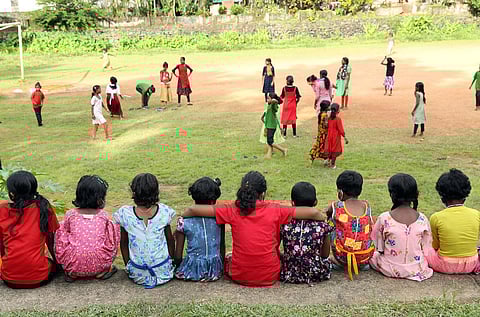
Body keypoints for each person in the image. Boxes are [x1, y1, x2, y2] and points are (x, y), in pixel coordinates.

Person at [182, 171, 326, 287]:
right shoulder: (276, 209)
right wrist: (324, 218)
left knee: (230, 256)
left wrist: (184, 215)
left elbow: (193, 209)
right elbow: (313, 213)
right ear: (263, 193)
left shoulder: (232, 209)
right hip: (270, 275)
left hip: (239, 275)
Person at [113, 173, 176, 288]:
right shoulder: (164, 212)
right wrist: (170, 261)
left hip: (138, 274)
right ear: (156, 192)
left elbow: (123, 243)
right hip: (163, 272)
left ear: (134, 193)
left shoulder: (125, 214)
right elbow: (170, 241)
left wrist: (129, 265)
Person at [0, 171, 60, 289]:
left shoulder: (2, 209)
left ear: (11, 192)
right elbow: (51, 240)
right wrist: (57, 263)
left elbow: (1, 244)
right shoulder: (43, 207)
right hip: (39, 277)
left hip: (9, 278)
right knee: (48, 262)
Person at [55, 175, 120, 282]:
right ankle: (103, 271)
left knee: (61, 227)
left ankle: (72, 274)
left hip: (73, 265)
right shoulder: (103, 216)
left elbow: (62, 237)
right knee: (113, 227)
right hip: (100, 264)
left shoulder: (71, 214)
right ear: (100, 199)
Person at [369, 174, 433, 281]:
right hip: (418, 268)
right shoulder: (423, 219)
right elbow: (426, 248)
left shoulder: (384, 218)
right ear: (415, 194)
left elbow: (379, 248)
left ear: (391, 194)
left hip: (389, 268)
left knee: (371, 255)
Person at [426, 169, 480, 274]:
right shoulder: (477, 214)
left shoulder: (436, 217)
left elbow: (435, 245)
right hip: (471, 263)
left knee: (425, 248)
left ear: (442, 198)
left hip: (445, 265)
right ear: (466, 195)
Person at [174, 177, 225, 282]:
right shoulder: (220, 218)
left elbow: (178, 255)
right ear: (214, 199)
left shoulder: (184, 221)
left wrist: (177, 265)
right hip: (214, 269)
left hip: (192, 269)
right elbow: (222, 246)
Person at [280, 182, 332, 284]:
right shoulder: (322, 226)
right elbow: (325, 255)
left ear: (292, 202)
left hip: (289, 273)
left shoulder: (285, 224)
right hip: (316, 273)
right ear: (315, 202)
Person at [326, 170, 374, 280]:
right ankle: (359, 262)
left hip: (342, 257)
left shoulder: (336, 205)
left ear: (340, 192)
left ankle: (337, 262)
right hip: (365, 257)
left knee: (329, 223)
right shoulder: (366, 206)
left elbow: (326, 215)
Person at [261, 93, 287, 159]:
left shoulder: (273, 105)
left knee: (270, 141)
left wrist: (272, 100)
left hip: (271, 126)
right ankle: (269, 155)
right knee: (269, 141)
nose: (267, 100)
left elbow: (275, 101)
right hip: (268, 125)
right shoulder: (269, 105)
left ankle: (283, 150)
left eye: (268, 98)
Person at [327, 103, 348, 169]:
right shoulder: (338, 119)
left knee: (330, 149)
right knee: (335, 150)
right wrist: (345, 137)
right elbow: (341, 129)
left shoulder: (329, 118)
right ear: (337, 111)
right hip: (335, 137)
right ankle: (333, 164)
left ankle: (329, 161)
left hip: (329, 136)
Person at [309, 100, 330, 164]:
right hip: (324, 133)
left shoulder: (320, 114)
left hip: (320, 132)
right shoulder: (325, 115)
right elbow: (326, 125)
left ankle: (313, 154)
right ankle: (314, 155)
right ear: (326, 107)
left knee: (319, 145)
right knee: (322, 146)